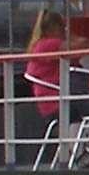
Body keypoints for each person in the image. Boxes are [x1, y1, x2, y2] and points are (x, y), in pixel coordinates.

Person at [21, 9, 64, 152]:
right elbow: (80, 45)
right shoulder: (50, 44)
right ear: (53, 28)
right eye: (62, 27)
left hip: (48, 102)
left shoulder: (39, 45)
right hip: (56, 101)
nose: (63, 30)